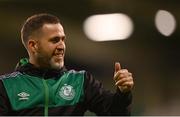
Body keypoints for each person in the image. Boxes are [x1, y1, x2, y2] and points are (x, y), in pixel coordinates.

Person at [0, 13, 134, 116]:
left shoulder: (81, 81)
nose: (61, 46)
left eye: (63, 39)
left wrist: (123, 93)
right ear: (33, 45)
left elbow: (115, 113)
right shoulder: (6, 86)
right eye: (55, 40)